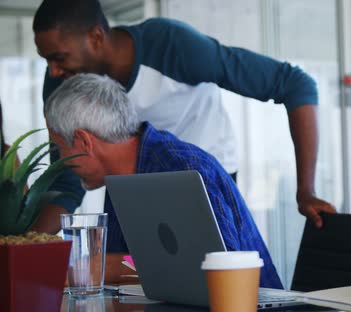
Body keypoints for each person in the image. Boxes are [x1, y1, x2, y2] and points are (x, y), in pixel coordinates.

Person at [31, 0, 335, 234]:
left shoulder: (171, 46)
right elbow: (68, 178)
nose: (54, 71)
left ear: (96, 37)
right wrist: (25, 243)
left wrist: (305, 190)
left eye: (59, 58)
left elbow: (295, 85)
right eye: (47, 60)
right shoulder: (61, 83)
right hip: (134, 187)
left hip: (206, 181)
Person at [44, 73, 283, 289]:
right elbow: (132, 263)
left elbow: (219, 267)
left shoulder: (183, 168)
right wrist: (103, 266)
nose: (60, 160)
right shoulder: (120, 181)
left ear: (84, 141)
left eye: (58, 147)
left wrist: (100, 267)